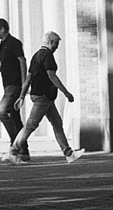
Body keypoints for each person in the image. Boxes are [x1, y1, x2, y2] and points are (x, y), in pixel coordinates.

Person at [6, 31, 85, 165]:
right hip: (43, 96)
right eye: (56, 43)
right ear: (50, 42)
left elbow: (28, 78)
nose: (57, 47)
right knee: (31, 125)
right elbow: (51, 75)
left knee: (57, 124)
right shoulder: (47, 55)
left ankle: (69, 154)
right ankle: (13, 151)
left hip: (41, 96)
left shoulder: (36, 56)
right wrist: (66, 92)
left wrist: (22, 97)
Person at [0, 18, 29, 161]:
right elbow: (0, 63)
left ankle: (14, 146)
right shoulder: (3, 45)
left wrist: (24, 83)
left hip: (15, 85)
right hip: (8, 85)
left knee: (1, 111)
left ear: (2, 29)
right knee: (16, 118)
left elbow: (22, 61)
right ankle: (23, 152)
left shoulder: (14, 43)